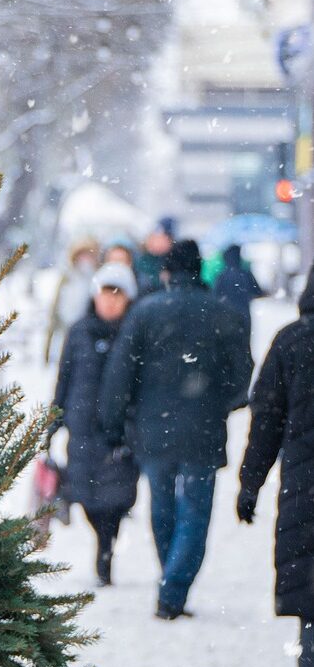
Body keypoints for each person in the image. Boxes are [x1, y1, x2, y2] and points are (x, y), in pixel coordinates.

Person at [101, 240, 253, 619]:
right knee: (196, 512)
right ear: (199, 270)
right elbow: (241, 378)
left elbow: (120, 374)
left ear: (167, 272)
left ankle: (169, 578)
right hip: (203, 430)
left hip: (154, 430)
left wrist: (115, 423)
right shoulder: (222, 313)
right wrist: (220, 404)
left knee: (163, 506)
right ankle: (175, 585)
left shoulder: (144, 313)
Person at [237, 264, 314, 667]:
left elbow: (265, 421)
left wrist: (251, 484)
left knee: (312, 619)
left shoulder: (291, 341)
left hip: (306, 498)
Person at [50, 262, 139, 586]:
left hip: (119, 431)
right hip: (82, 427)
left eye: (118, 294)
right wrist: (53, 420)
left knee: (117, 499)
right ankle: (102, 541)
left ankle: (106, 549)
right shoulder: (79, 331)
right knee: (85, 497)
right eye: (106, 293)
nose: (110, 301)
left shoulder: (134, 331)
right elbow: (64, 378)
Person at [44, 237, 99, 364]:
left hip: (85, 331)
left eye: (88, 255)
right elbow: (56, 307)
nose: (85, 260)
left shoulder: (96, 279)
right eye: (82, 255)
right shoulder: (67, 277)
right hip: (64, 328)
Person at [213, 243, 264, 329]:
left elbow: (215, 295)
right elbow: (258, 292)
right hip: (244, 315)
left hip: (226, 315)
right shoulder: (246, 274)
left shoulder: (221, 276)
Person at [134, 217, 175, 296]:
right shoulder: (140, 259)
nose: (156, 241)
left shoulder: (173, 262)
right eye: (155, 237)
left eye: (162, 238)